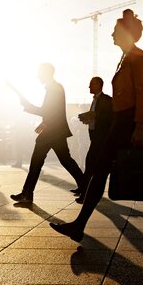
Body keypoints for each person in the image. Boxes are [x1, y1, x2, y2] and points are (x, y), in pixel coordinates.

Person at [51, 10, 143, 247]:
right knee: (102, 169)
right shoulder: (126, 57)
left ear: (125, 32)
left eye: (115, 30)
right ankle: (79, 225)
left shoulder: (137, 57)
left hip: (134, 121)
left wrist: (139, 127)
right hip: (123, 121)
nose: (112, 34)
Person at [10, 63, 85, 204]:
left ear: (47, 73)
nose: (38, 76)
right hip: (55, 131)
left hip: (52, 132)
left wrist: (28, 106)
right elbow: (52, 111)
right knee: (65, 160)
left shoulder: (54, 89)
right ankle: (85, 186)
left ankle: (27, 194)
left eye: (40, 73)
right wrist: (45, 122)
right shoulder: (55, 88)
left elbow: (48, 110)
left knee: (37, 161)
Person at [76, 76, 113, 203]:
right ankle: (85, 192)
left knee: (90, 164)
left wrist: (94, 115)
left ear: (99, 85)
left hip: (101, 139)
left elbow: (108, 117)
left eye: (91, 84)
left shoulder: (106, 100)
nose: (89, 87)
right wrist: (88, 118)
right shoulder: (95, 100)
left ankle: (84, 194)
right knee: (95, 168)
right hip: (95, 137)